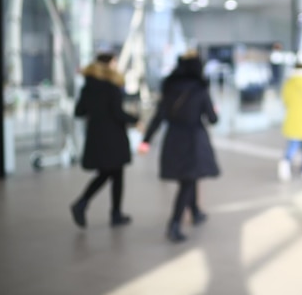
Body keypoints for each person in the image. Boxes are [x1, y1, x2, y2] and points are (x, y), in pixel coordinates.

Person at [138, 51, 220, 243]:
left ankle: (196, 212)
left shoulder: (170, 88)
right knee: (188, 181)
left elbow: (159, 117)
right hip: (193, 140)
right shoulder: (200, 89)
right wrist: (214, 110)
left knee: (188, 178)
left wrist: (146, 140)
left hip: (173, 139)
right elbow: (213, 119)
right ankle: (174, 223)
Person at [71, 52, 139, 228]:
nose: (116, 66)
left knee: (113, 173)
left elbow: (79, 112)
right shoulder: (111, 86)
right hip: (113, 137)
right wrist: (135, 120)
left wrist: (96, 112)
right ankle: (82, 203)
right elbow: (118, 113)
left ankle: (114, 213)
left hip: (96, 136)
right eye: (114, 62)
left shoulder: (88, 87)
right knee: (110, 173)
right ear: (108, 65)